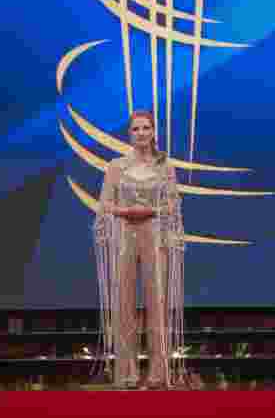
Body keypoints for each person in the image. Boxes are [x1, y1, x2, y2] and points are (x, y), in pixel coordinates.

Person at [94, 110, 185, 389]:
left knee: (157, 302)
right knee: (123, 303)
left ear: (154, 132)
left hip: (155, 234)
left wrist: (149, 210)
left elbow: (173, 205)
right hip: (124, 234)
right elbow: (104, 204)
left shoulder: (165, 167)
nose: (141, 133)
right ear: (129, 134)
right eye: (136, 129)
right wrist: (126, 211)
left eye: (146, 128)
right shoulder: (116, 166)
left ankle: (158, 374)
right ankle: (127, 373)